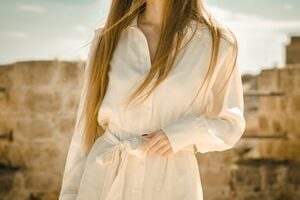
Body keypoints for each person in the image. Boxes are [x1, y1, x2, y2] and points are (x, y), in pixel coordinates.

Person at [58, 0, 246, 199]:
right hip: (102, 182)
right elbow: (84, 131)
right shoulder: (107, 37)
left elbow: (230, 126)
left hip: (173, 184)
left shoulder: (217, 42)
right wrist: (69, 194)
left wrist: (183, 133)